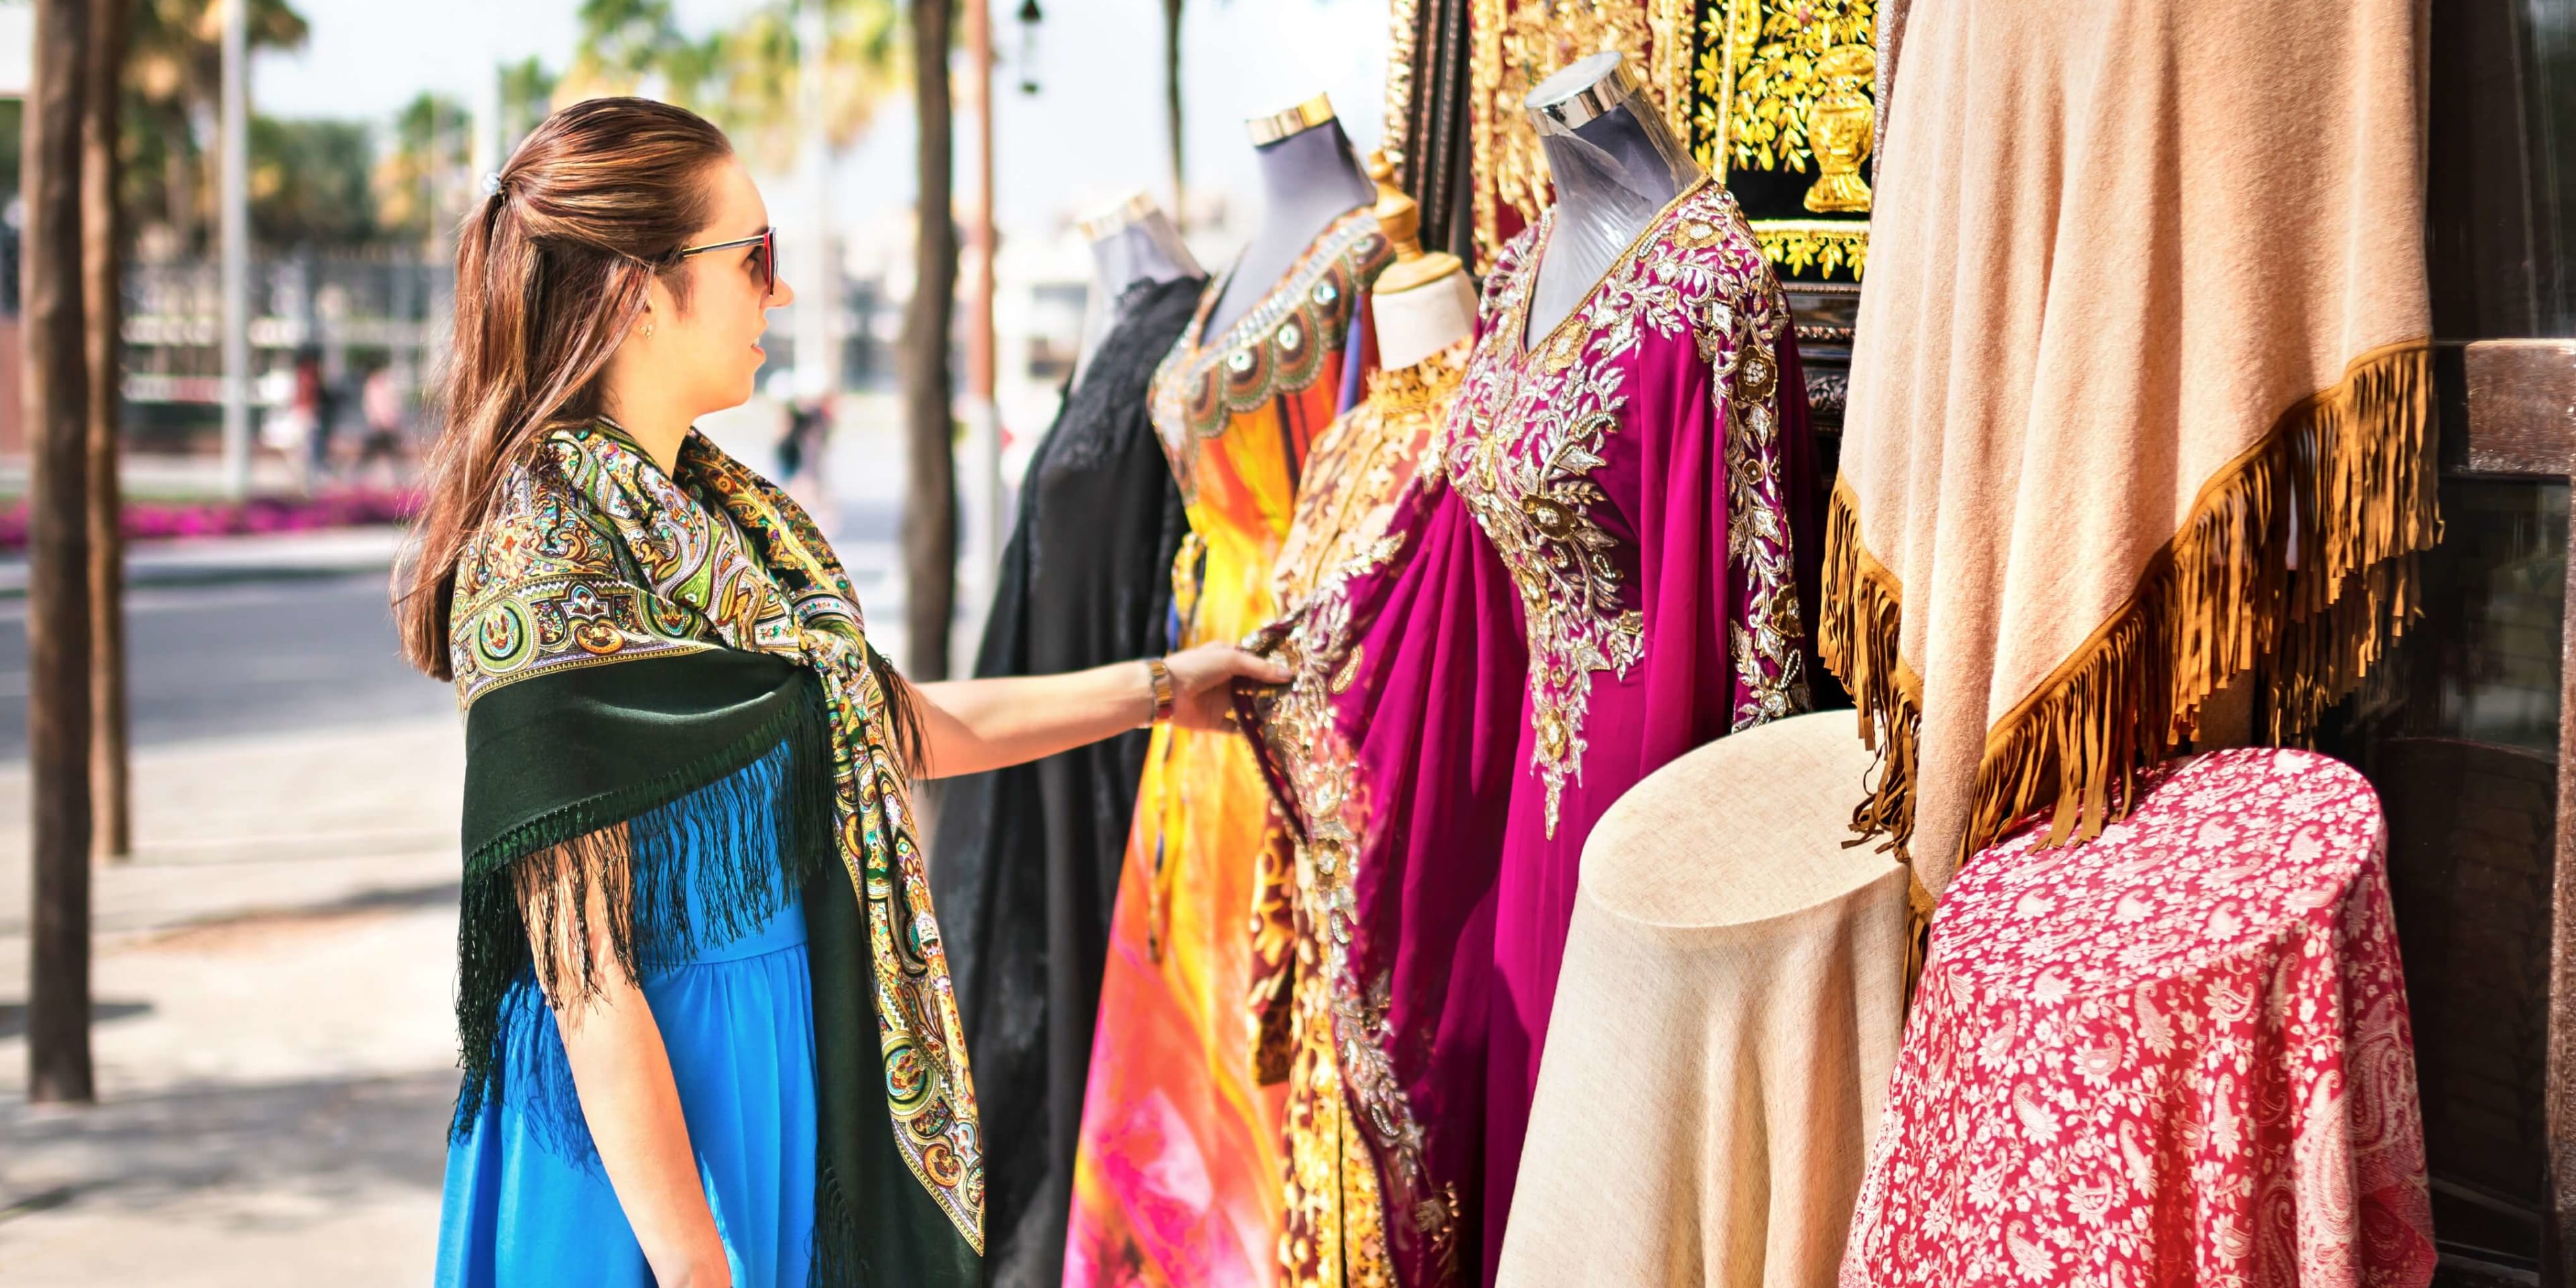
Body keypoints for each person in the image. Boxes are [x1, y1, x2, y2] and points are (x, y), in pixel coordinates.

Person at [395, 97, 1285, 1288]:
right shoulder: (544, 554)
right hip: (640, 1152)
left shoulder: (720, 518)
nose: (784, 292)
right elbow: (587, 980)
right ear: (638, 290)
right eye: (756, 258)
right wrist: (696, 1269)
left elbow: (888, 725)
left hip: (768, 1080)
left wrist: (1160, 687)